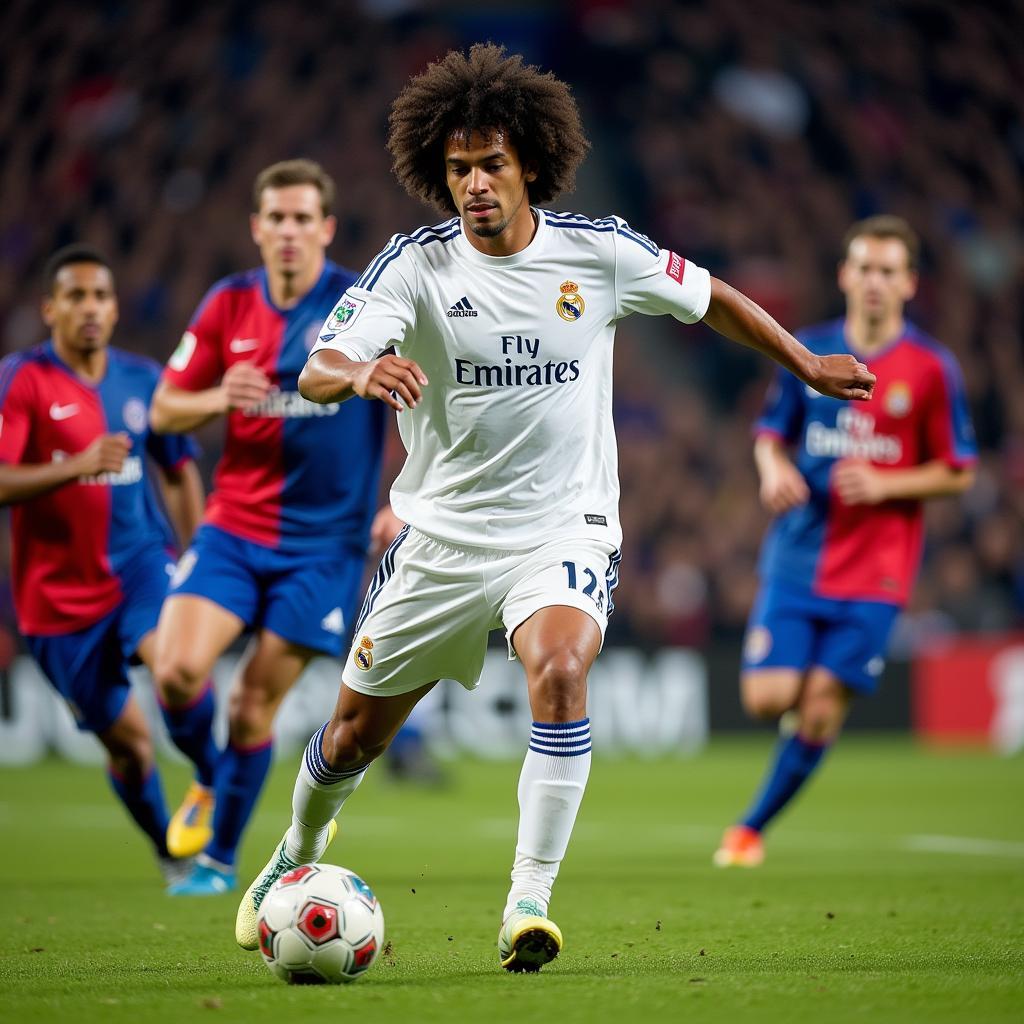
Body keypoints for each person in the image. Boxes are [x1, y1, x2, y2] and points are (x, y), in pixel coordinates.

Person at [235, 44, 875, 970]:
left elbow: (713, 301)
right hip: (439, 537)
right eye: (458, 169)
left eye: (490, 163)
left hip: (562, 528)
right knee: (350, 737)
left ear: (528, 161)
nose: (474, 184)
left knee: (564, 671)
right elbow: (318, 365)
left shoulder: (601, 252)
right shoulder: (414, 267)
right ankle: (296, 850)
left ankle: (526, 902)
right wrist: (362, 369)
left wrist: (806, 365)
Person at [149, 159, 390, 895]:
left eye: (301, 219)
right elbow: (163, 411)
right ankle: (209, 776)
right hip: (234, 527)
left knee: (253, 702)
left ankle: (218, 863)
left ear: (326, 228)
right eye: (275, 219)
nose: (288, 232)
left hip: (325, 546)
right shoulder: (228, 304)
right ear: (257, 229)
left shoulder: (364, 302)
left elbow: (422, 399)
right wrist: (219, 394)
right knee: (176, 671)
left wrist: (403, 501)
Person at [713, 216, 977, 868]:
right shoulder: (812, 350)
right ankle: (794, 724)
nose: (875, 281)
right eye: (864, 267)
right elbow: (771, 430)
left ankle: (747, 831)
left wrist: (888, 485)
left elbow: (959, 469)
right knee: (767, 700)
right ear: (844, 275)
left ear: (910, 283)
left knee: (822, 710)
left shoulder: (931, 370)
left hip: (878, 573)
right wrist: (773, 470)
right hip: (799, 555)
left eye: (889, 270)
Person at [0, 244, 204, 887]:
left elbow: (177, 471)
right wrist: (75, 465)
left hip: (142, 565)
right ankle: (171, 855)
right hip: (56, 600)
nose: (90, 308)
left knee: (174, 662)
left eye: (101, 296)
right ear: (50, 308)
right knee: (130, 745)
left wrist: (198, 555)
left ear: (115, 309)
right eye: (77, 296)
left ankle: (213, 779)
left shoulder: (144, 380)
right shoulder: (21, 380)